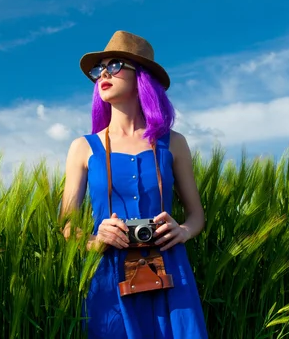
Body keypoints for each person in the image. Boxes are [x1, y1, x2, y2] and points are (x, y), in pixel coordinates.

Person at [61, 30, 208, 338]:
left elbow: (196, 215)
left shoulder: (174, 144)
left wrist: (182, 231)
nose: (104, 73)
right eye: (99, 68)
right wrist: (95, 239)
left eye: (115, 65)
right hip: (108, 273)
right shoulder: (82, 148)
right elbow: (67, 225)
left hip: (169, 270)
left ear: (140, 76)